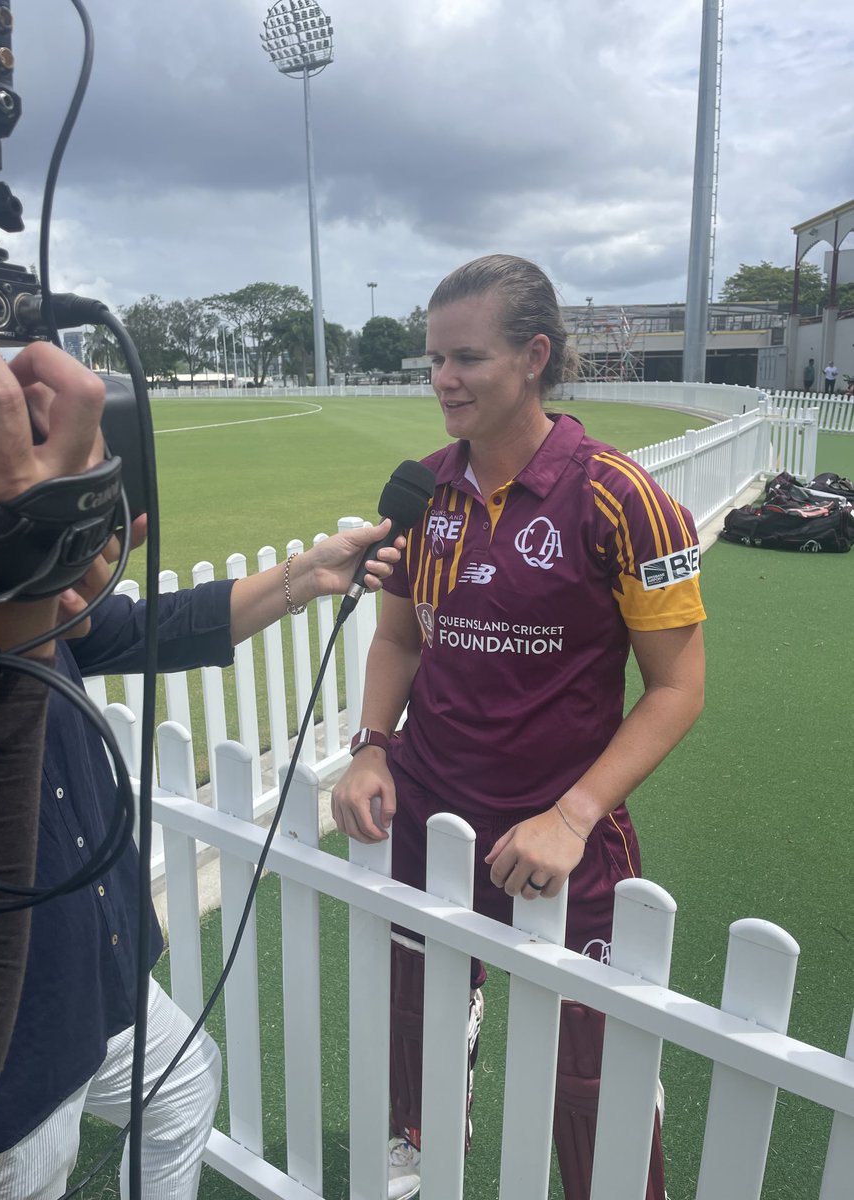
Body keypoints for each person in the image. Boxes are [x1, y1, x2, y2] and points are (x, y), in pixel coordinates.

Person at [0, 333, 405, 1199]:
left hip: (99, 988)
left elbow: (145, 625)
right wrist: (7, 582)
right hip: (6, 1071)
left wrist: (306, 574)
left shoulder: (37, 614)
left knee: (187, 1082)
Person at [331, 254, 706, 1200]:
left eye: (466, 359)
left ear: (534, 356)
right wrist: (372, 746)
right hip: (427, 816)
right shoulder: (422, 487)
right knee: (410, 1019)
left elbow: (678, 689)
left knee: (591, 1064)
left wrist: (575, 816)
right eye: (433, 361)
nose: (442, 381)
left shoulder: (623, 497)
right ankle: (412, 1161)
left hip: (563, 835)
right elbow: (398, 640)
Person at [0, 306, 108, 1167]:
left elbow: (117, 627)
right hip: (14, 1093)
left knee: (189, 1081)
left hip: (80, 1004)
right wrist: (14, 583)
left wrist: (19, 595)